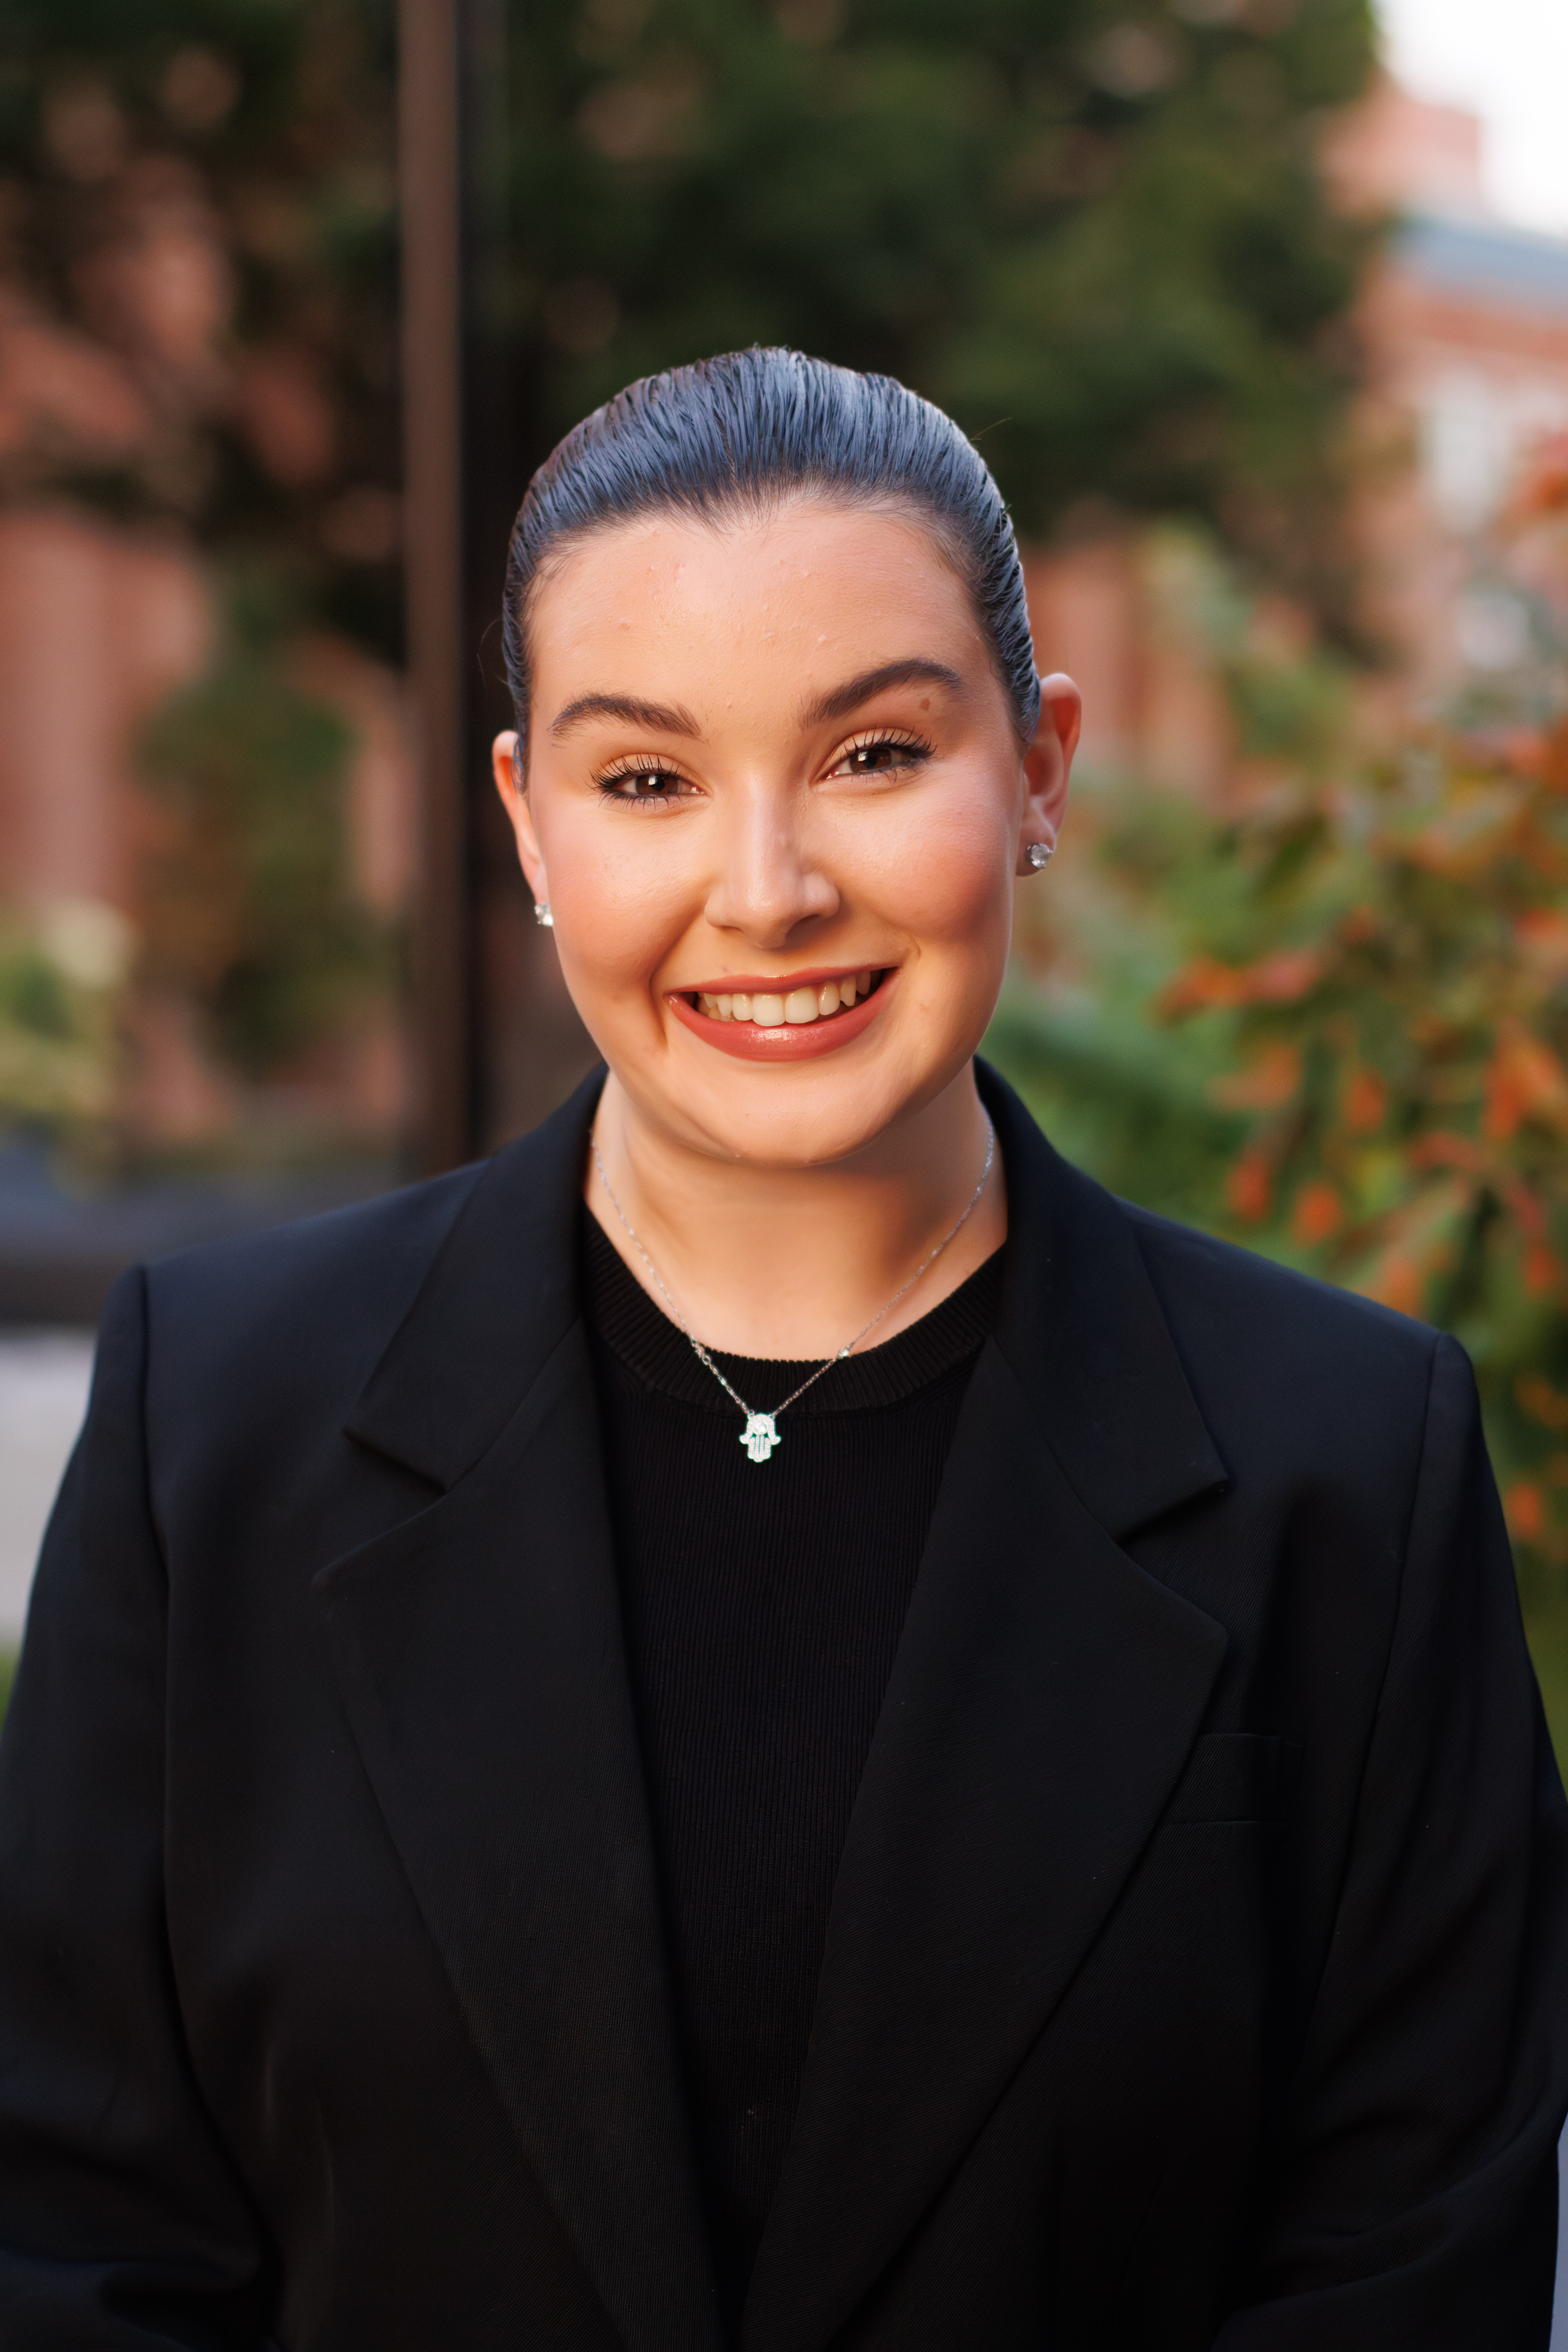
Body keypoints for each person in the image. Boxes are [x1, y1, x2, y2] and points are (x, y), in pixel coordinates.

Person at [0, 348, 1564, 2352]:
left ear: (1043, 771)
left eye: (874, 754)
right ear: (531, 823)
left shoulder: (1352, 1464)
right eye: (647, 780)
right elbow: (75, 2250)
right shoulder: (212, 1425)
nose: (769, 892)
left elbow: (1408, 2277)